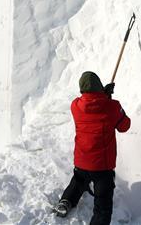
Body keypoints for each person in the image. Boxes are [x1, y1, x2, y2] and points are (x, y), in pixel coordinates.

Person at [54, 71, 131, 224]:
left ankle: (66, 201)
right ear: (99, 86)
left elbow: (94, 106)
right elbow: (125, 126)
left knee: (78, 182)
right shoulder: (113, 107)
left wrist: (103, 96)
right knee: (103, 206)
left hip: (82, 162)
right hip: (102, 168)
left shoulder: (75, 106)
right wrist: (107, 97)